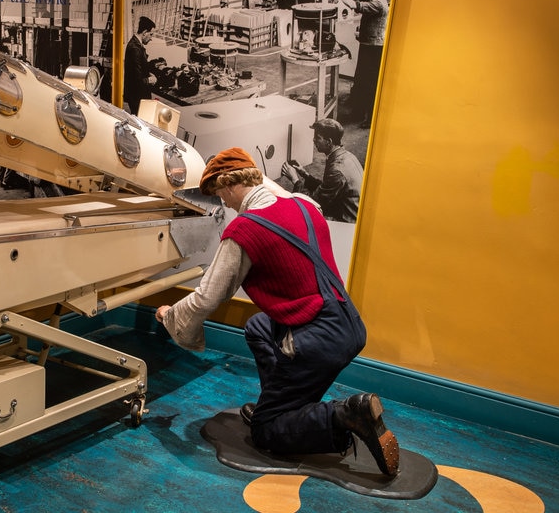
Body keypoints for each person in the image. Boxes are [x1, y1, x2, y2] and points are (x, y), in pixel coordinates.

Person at [154, 147, 400, 476]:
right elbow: (276, 192)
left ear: (228, 187)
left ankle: (346, 414)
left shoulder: (243, 231)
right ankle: (281, 404)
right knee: (258, 327)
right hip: (348, 323)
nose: (223, 204)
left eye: (219, 194)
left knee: (266, 432)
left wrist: (169, 315)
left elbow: (206, 299)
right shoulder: (305, 205)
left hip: (316, 340)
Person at [332, 0, 389, 127]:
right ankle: (358, 113)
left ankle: (369, 119)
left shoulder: (378, 3)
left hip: (374, 48)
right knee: (361, 80)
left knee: (369, 83)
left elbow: (353, 5)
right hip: (368, 44)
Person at [281, 118, 364, 223]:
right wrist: (304, 174)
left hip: (346, 221)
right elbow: (326, 188)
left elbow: (313, 202)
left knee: (296, 212)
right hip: (345, 207)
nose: (313, 140)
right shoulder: (345, 156)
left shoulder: (336, 170)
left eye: (317, 137)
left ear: (329, 142)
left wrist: (295, 180)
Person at [123, 16, 157, 115]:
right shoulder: (134, 48)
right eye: (151, 34)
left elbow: (137, 69)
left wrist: (149, 74)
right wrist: (150, 80)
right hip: (137, 96)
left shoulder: (137, 45)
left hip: (138, 95)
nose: (151, 38)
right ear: (144, 32)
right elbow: (136, 79)